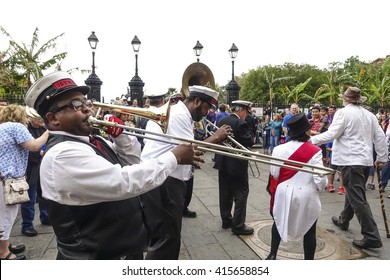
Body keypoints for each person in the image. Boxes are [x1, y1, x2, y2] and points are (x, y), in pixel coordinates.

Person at [24, 71, 203, 260]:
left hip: (118, 250)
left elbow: (134, 162)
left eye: (86, 103)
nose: (87, 109)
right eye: (77, 105)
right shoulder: (61, 155)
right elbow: (124, 182)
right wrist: (173, 157)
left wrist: (121, 136)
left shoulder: (92, 141)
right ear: (53, 119)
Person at [141, 85, 232, 259]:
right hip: (165, 182)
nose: (206, 113)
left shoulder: (178, 113)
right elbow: (189, 149)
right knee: (167, 241)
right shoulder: (180, 115)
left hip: (163, 178)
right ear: (196, 101)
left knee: (164, 238)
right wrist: (217, 137)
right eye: (206, 108)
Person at [311, 87, 387, 249]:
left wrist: (311, 140)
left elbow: (332, 134)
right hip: (365, 160)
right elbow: (380, 137)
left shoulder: (343, 113)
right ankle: (344, 220)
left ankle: (371, 235)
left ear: (345, 99)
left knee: (357, 198)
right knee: (354, 193)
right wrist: (381, 158)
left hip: (350, 161)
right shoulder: (369, 115)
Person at [265, 113, 327, 260]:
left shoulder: (278, 149)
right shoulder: (315, 151)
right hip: (306, 194)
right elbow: (319, 178)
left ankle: (273, 254)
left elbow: (275, 174)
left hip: (283, 192)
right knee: (310, 230)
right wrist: (322, 187)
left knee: (278, 222)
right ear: (306, 131)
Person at [0, 104, 49, 260]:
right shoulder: (16, 127)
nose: (28, 119)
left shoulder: (3, 127)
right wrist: (50, 131)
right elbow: (34, 146)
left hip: (3, 177)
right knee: (7, 215)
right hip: (8, 179)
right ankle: (4, 253)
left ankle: (5, 244)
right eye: (26, 116)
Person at [213, 100, 254, 235]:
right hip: (237, 164)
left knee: (225, 193)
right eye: (246, 112)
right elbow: (249, 141)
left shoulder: (222, 121)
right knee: (241, 193)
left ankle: (226, 221)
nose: (247, 115)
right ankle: (238, 225)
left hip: (222, 162)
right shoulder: (241, 123)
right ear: (241, 110)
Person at [21, 108, 50, 237]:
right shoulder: (26, 130)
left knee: (43, 195)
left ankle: (45, 217)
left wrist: (44, 148)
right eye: (39, 120)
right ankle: (27, 225)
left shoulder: (43, 129)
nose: (42, 122)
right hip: (31, 167)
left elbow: (47, 142)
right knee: (30, 198)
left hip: (42, 165)